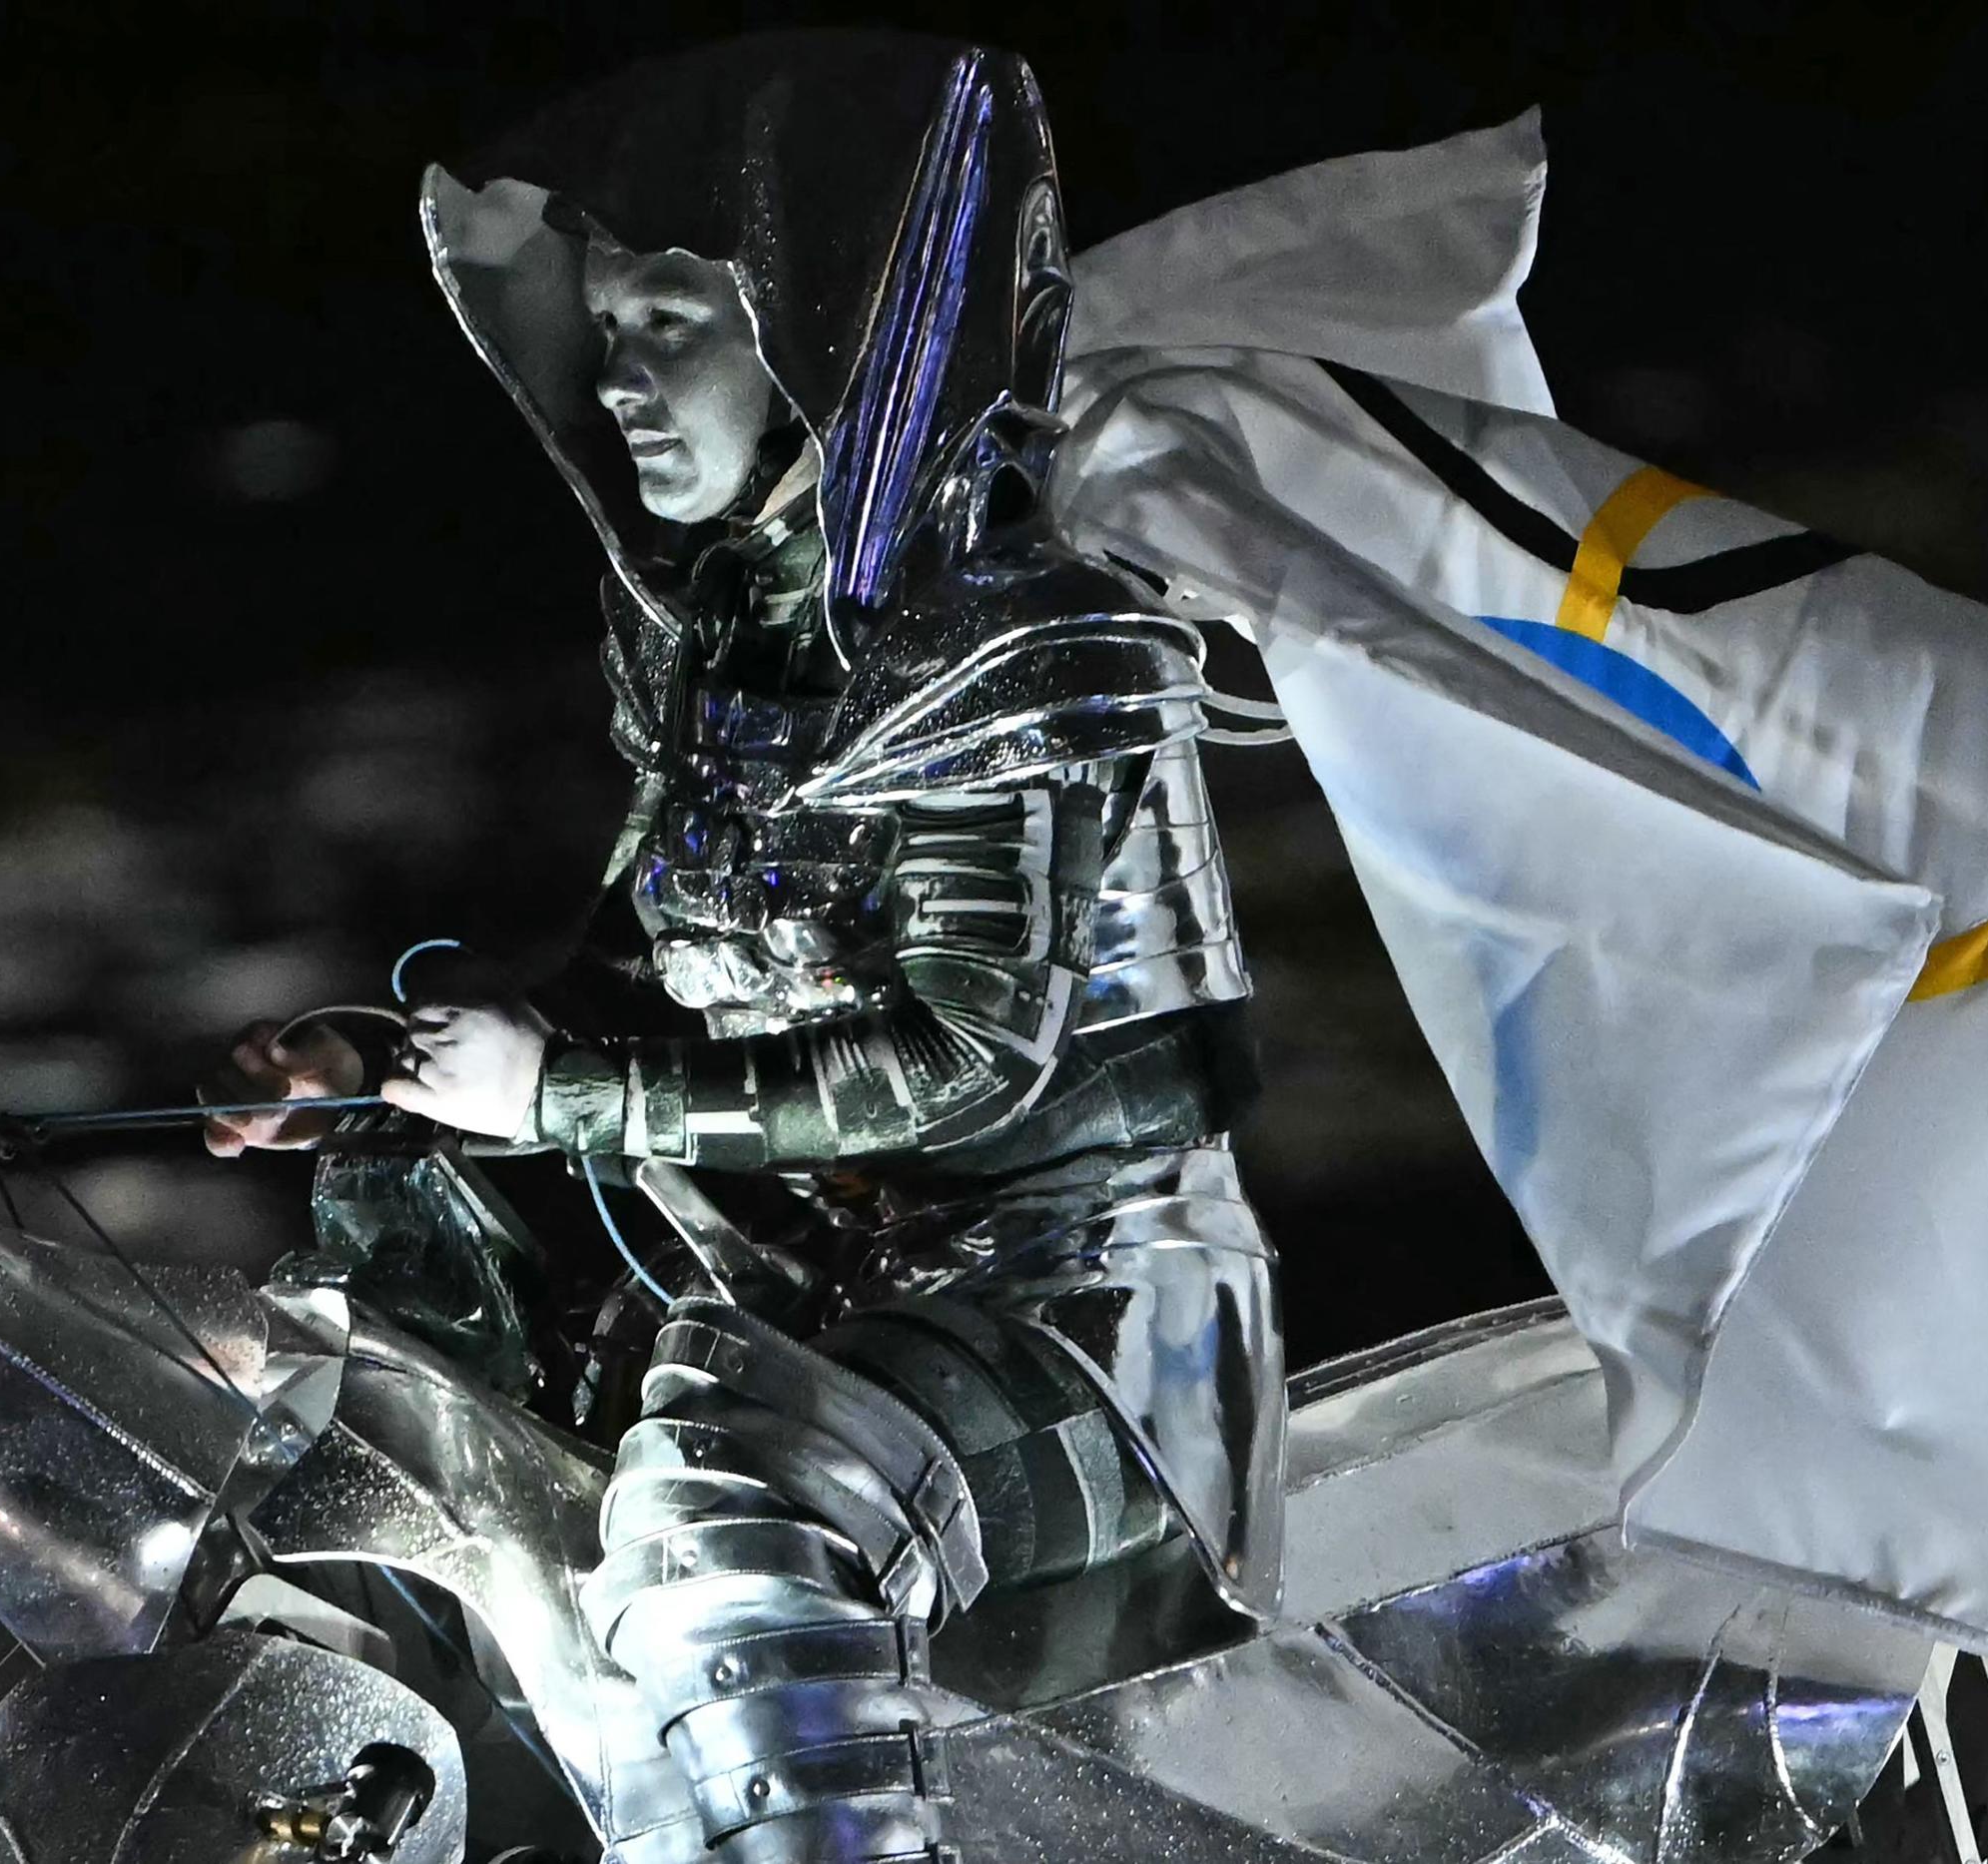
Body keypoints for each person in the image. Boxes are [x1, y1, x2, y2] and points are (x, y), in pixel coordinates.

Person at [211, 35, 1282, 1863]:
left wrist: (563, 1094)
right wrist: (389, 1065)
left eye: (665, 327)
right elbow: (663, 963)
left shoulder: (1007, 633)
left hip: (1090, 1328)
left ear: (809, 335)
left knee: (725, 1508)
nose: (616, 380)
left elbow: (965, 1055)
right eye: (605, 330)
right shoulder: (720, 632)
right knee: (404, 1409)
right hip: (820, 1304)